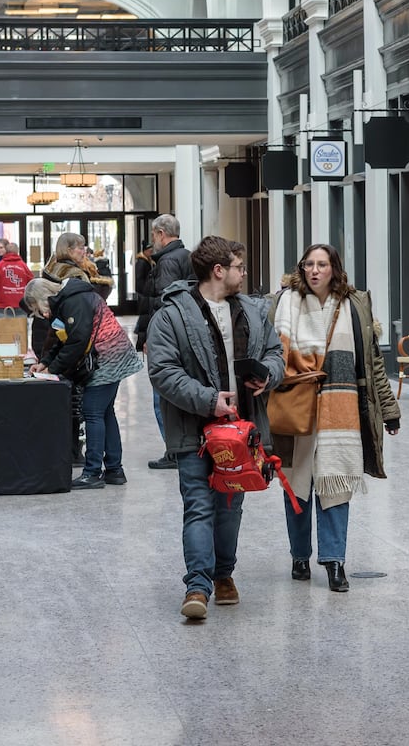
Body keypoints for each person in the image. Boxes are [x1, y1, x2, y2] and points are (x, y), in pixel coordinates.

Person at [147, 236, 283, 620]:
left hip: (242, 432)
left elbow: (275, 352)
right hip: (194, 431)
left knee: (230, 507)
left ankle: (224, 573)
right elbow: (162, 371)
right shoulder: (171, 315)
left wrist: (267, 375)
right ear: (219, 270)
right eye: (239, 266)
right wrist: (209, 399)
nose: (244, 273)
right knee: (199, 506)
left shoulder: (252, 312)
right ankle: (198, 586)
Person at [270, 245, 400, 592]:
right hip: (295, 403)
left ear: (334, 269)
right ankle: (300, 555)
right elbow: (269, 355)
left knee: (336, 481)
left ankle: (334, 562)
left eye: (322, 264)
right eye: (309, 264)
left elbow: (372, 362)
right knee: (297, 484)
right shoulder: (284, 302)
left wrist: (388, 409)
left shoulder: (354, 305)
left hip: (341, 407)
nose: (314, 270)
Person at [25, 274, 143, 490]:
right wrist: (45, 363)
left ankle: (92, 472)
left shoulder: (72, 301)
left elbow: (77, 340)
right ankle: (115, 469)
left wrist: (53, 368)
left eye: (37, 308)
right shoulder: (68, 300)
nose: (41, 313)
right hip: (114, 354)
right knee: (105, 412)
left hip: (107, 356)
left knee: (93, 412)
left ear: (43, 298)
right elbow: (64, 338)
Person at [135, 214, 193, 470]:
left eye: (154, 235)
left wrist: (150, 336)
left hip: (168, 338)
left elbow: (163, 302)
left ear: (160, 233)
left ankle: (174, 451)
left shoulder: (168, 261)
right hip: (183, 334)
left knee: (163, 395)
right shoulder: (185, 256)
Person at [38, 232, 96, 466]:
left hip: (50, 334)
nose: (84, 252)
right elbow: (80, 329)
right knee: (74, 397)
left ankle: (64, 445)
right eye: (80, 248)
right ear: (68, 250)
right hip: (64, 335)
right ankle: (73, 450)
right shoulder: (75, 275)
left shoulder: (50, 268)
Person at [0, 245, 34, 314]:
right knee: (20, 325)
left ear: (6, 252)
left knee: (1, 325)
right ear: (17, 251)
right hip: (21, 305)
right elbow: (32, 284)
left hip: (2, 306)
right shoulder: (23, 266)